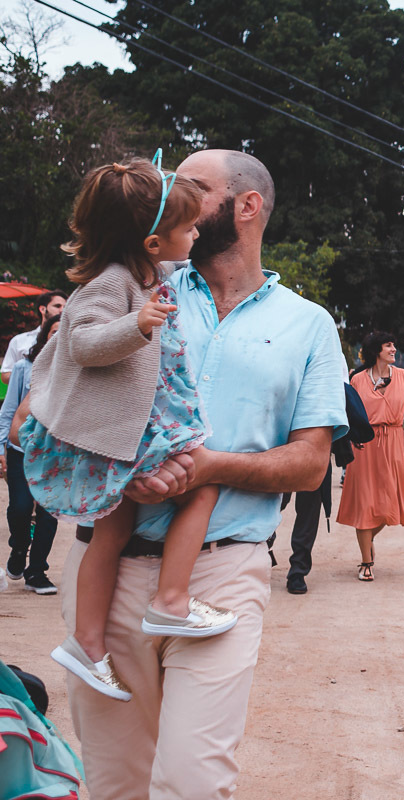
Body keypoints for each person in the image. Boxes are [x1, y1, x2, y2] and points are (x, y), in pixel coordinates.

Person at [50, 149, 345, 798]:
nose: (174, 196)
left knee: (192, 781)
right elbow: (56, 399)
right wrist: (118, 465)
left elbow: (312, 461)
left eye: (194, 187)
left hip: (223, 573)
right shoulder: (131, 287)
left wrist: (209, 467)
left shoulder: (309, 326)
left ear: (247, 207)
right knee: (116, 781)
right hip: (109, 563)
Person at [17, 157, 233, 703]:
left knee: (112, 530)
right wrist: (134, 325)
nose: (198, 231)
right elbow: (81, 342)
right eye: (187, 226)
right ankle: (170, 602)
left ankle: (88, 641)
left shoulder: (150, 274)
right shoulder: (111, 284)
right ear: (154, 243)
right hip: (129, 431)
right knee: (202, 485)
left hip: (140, 424)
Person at [337, 332, 404, 582]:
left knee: (390, 503)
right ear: (377, 351)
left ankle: (367, 538)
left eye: (394, 345)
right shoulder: (357, 380)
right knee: (365, 503)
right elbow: (349, 414)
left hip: (394, 442)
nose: (394, 349)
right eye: (389, 346)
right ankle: (366, 561)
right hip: (365, 444)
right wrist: (351, 436)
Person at [1, 315, 61, 595]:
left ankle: (37, 571)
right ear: (45, 337)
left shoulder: (80, 372)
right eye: (54, 333)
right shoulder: (25, 367)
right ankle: (18, 548)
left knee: (49, 515)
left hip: (56, 455)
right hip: (20, 451)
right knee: (21, 508)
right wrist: (0, 446)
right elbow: (9, 409)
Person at [1, 290, 66, 384]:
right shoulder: (19, 341)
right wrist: (28, 374)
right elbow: (5, 375)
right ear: (43, 309)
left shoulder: (70, 341)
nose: (62, 310)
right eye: (57, 306)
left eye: (65, 307)